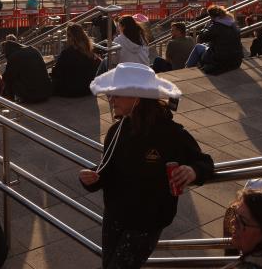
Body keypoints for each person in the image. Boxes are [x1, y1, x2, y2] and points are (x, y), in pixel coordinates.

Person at [81, 63, 214, 268]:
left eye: (117, 93)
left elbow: (204, 162)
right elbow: (107, 169)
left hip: (146, 222)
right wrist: (92, 178)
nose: (110, 98)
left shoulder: (171, 134)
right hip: (115, 215)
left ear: (137, 97)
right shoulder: (117, 130)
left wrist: (194, 171)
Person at [185, 6, 244, 75]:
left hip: (220, 61)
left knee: (198, 47)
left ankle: (186, 70)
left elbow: (200, 38)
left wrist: (206, 26)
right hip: (236, 61)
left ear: (211, 16)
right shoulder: (233, 24)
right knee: (208, 45)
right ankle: (195, 66)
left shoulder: (215, 26)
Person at [51, 22, 101, 97]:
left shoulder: (66, 53)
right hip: (87, 89)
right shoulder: (89, 51)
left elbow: (57, 72)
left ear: (70, 37)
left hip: (70, 91)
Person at [1, 39, 51, 103]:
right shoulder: (33, 50)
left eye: (4, 53)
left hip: (32, 95)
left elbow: (7, 77)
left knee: (9, 79)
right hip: (46, 91)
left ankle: (9, 102)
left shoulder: (14, 56)